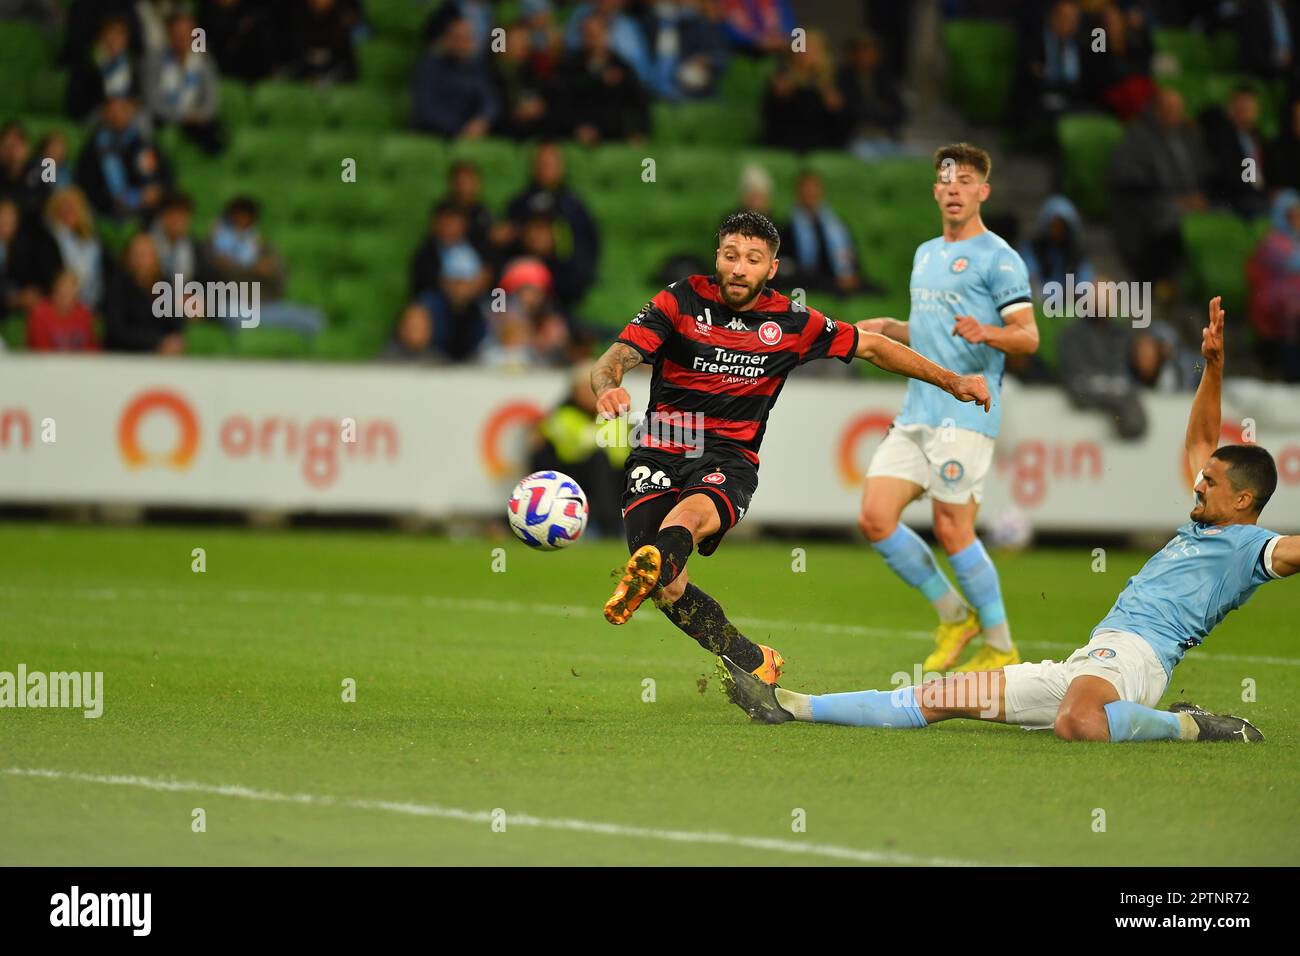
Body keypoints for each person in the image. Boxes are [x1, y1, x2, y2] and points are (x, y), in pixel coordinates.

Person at [721, 297, 1296, 744]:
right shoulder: (1206, 521)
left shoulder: (1251, 547)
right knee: (941, 697)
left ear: (1244, 501)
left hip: (1138, 663)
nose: (1197, 482)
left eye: (1212, 483)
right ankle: (794, 706)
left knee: (1079, 723)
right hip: (1093, 658)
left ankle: (1189, 726)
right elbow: (1199, 439)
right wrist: (1213, 367)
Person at [589, 209, 991, 685]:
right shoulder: (679, 300)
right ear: (717, 257)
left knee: (683, 525)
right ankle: (752, 659)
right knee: (667, 586)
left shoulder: (792, 321)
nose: (740, 268)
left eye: (753, 259)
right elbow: (615, 358)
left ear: (771, 269)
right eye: (731, 255)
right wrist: (607, 388)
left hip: (727, 458)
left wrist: (951, 381)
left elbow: (873, 346)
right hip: (658, 450)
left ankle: (659, 559)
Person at [854, 143, 1038, 675]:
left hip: (968, 413)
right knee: (874, 518)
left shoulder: (999, 257)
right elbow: (932, 331)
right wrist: (892, 329)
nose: (954, 190)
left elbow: (1027, 337)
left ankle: (1001, 646)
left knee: (953, 526)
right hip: (918, 409)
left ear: (983, 191)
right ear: (936, 189)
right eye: (946, 181)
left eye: (966, 182)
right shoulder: (925, 253)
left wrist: (990, 333)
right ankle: (955, 615)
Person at [1246, 188, 1300, 380]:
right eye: (1293, 215)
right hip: (1273, 302)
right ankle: (1291, 374)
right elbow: (1292, 262)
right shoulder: (1273, 241)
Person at [27, 268, 99, 351]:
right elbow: (41, 352)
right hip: (46, 363)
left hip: (78, 363)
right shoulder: (40, 314)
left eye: (71, 291)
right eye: (63, 290)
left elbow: (92, 350)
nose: (66, 295)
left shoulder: (84, 314)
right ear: (55, 290)